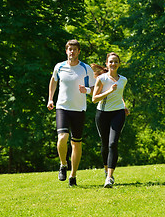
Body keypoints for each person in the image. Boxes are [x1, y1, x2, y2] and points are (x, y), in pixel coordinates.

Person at [47, 39, 95, 187]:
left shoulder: (86, 69)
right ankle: (63, 164)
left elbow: (95, 88)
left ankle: (73, 175)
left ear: (79, 52)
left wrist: (86, 90)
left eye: (74, 49)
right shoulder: (59, 67)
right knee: (62, 137)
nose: (72, 52)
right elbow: (53, 80)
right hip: (62, 107)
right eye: (69, 49)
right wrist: (50, 99)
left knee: (76, 143)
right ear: (66, 51)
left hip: (79, 109)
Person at [91, 52, 129, 188]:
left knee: (113, 143)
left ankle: (109, 177)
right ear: (107, 64)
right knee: (105, 144)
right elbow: (94, 99)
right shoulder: (101, 79)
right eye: (111, 62)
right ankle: (106, 169)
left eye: (116, 61)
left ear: (119, 64)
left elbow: (120, 95)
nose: (113, 64)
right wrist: (109, 92)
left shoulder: (123, 80)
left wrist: (124, 105)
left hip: (118, 113)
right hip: (103, 114)